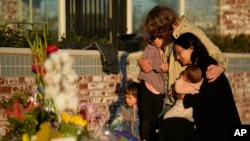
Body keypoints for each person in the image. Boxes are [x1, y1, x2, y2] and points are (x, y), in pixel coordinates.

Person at [138, 5, 228, 138]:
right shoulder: (169, 38)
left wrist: (220, 67)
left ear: (164, 25)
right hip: (169, 99)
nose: (158, 37)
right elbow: (153, 53)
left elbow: (217, 54)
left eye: (158, 33)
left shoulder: (192, 33)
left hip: (184, 100)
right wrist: (141, 61)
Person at [159, 32, 241, 141]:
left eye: (179, 52)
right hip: (211, 128)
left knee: (170, 125)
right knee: (169, 124)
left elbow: (209, 98)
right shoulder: (198, 65)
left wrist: (184, 97)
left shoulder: (207, 66)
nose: (177, 57)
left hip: (220, 130)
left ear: (191, 48)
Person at [137, 36, 168, 141]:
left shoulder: (169, 49)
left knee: (157, 118)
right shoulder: (150, 48)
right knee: (146, 116)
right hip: (147, 84)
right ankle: (145, 138)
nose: (156, 41)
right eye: (154, 38)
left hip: (160, 88)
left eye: (160, 38)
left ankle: (154, 138)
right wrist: (160, 65)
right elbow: (148, 62)